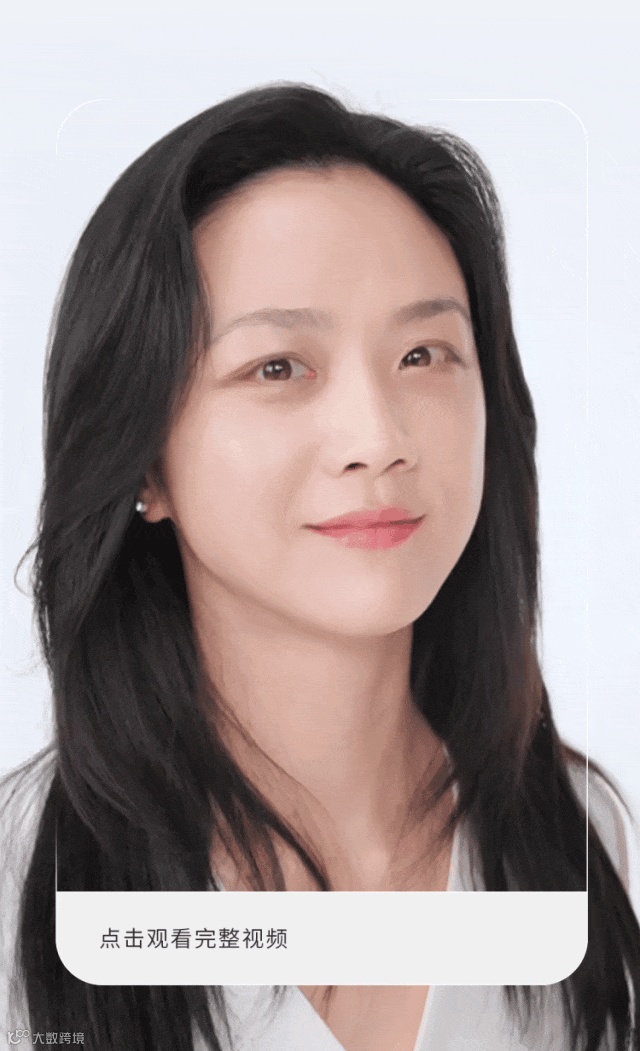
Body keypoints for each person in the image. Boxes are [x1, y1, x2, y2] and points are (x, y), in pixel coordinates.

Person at [0, 82, 638, 1051]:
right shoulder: (22, 891)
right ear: (143, 461)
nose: (376, 438)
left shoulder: (590, 842)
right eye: (278, 367)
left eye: (423, 354)